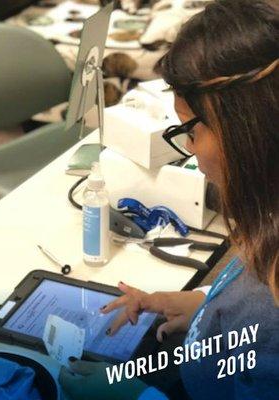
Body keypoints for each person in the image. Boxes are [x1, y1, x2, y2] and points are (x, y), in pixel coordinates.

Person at [59, 0, 278, 399]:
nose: (191, 151)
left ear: (243, 133)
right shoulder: (268, 225)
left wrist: (129, 396)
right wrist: (205, 308)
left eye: (192, 133)